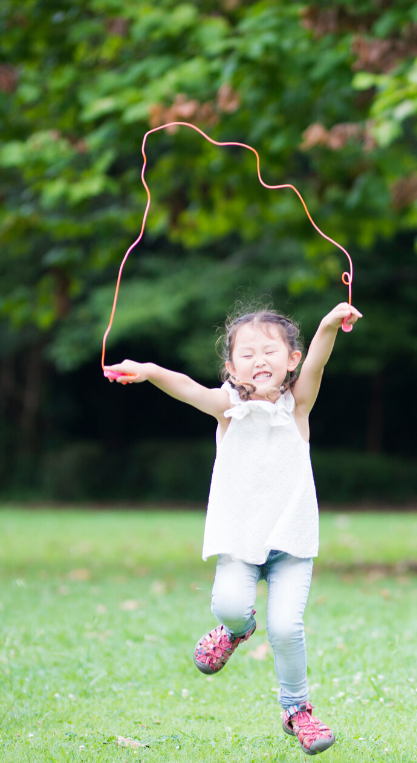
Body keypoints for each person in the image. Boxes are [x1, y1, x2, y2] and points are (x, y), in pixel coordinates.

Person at [104, 302, 361, 756]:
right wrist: (148, 369)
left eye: (269, 351)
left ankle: (297, 710)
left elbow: (321, 358)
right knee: (230, 605)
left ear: (291, 360)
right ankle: (236, 630)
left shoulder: (296, 407)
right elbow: (185, 387)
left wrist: (327, 325)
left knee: (286, 628)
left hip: (291, 542)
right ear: (230, 366)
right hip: (241, 541)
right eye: (247, 353)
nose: (259, 360)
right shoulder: (228, 409)